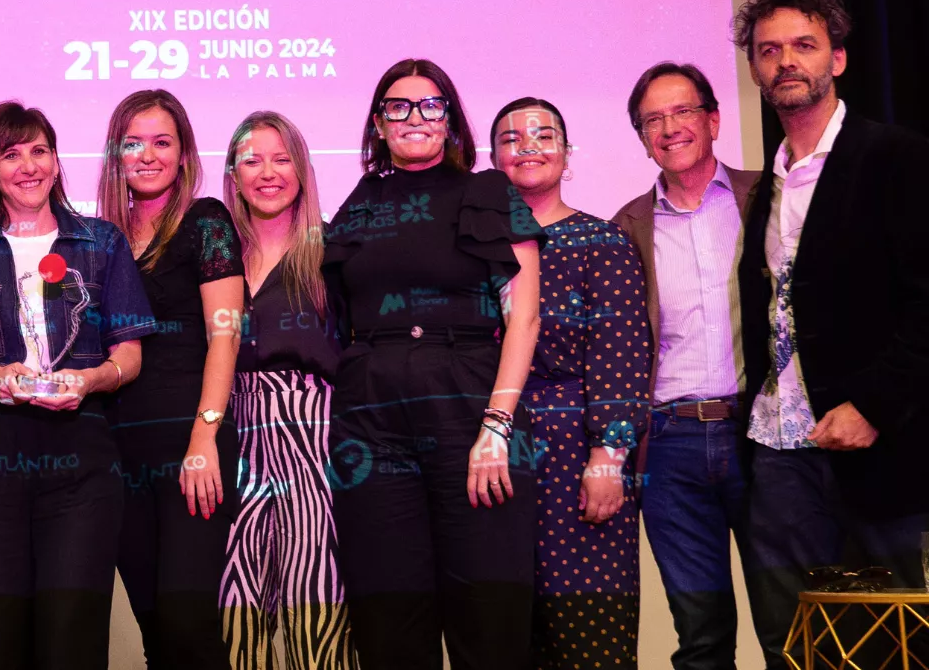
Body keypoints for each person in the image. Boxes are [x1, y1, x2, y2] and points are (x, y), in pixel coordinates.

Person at [0, 100, 156, 670]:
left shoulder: (102, 243)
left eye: (39, 151)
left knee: (71, 641)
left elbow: (130, 356)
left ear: (56, 162)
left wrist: (90, 379)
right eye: (11, 154)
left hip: (81, 461)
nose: (28, 166)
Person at [729, 0, 929, 670]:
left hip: (877, 446)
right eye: (769, 50)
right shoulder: (768, 184)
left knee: (893, 640)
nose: (786, 61)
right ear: (754, 68)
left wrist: (874, 403)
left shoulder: (895, 158)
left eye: (804, 46)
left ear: (837, 59)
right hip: (780, 446)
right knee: (796, 642)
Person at [323, 59, 543, 670]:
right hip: (370, 416)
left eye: (430, 105)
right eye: (398, 106)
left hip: (469, 408)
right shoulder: (360, 202)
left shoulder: (487, 190)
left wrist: (497, 427)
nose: (414, 117)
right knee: (389, 619)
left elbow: (522, 317)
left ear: (451, 119)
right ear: (378, 122)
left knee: (487, 620)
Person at [611, 62, 767, 670]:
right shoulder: (625, 228)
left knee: (789, 621)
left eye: (682, 112)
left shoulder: (766, 198)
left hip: (762, 439)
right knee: (701, 639)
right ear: (642, 137)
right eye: (654, 119)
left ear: (714, 120)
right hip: (670, 448)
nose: (670, 128)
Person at [488, 98, 651, 669]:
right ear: (492, 158)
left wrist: (608, 455)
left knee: (586, 638)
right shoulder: (475, 250)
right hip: (492, 455)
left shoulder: (601, 243)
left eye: (543, 134)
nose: (528, 146)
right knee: (505, 634)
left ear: (567, 152)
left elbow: (623, 357)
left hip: (575, 453)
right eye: (512, 138)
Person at [98, 90, 243, 667]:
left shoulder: (206, 220)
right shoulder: (102, 238)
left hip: (191, 444)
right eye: (135, 143)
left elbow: (225, 334)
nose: (149, 156)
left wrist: (205, 437)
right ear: (117, 154)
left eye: (163, 142)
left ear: (183, 154)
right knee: (155, 628)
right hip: (117, 450)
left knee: (188, 620)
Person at [219, 111, 354, 670]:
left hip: (314, 440)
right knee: (234, 618)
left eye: (282, 159)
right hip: (229, 438)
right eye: (252, 160)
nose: (267, 173)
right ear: (232, 173)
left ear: (302, 169)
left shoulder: (336, 254)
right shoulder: (213, 256)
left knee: (316, 618)